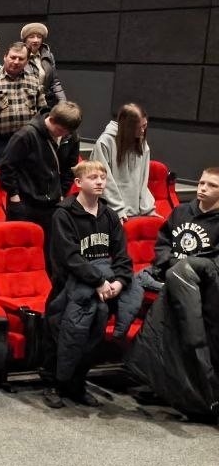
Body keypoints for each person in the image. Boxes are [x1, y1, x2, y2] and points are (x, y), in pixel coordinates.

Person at [43, 160, 138, 409]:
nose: (99, 182)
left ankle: (77, 385)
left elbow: (122, 255)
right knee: (61, 334)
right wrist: (98, 281)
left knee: (92, 338)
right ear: (78, 183)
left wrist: (120, 282)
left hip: (103, 290)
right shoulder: (63, 214)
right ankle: (53, 384)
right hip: (68, 287)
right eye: (93, 177)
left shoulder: (109, 215)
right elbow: (69, 257)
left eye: (102, 178)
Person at [127, 167, 219, 416]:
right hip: (168, 276)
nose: (203, 189)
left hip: (199, 287)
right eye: (201, 183)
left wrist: (187, 269)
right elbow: (163, 243)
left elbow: (214, 265)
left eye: (212, 185)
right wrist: (170, 263)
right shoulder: (181, 211)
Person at [0, 101, 82, 242]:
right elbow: (7, 167)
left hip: (53, 203)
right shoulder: (26, 135)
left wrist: (62, 192)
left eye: (68, 132)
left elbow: (70, 168)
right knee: (21, 244)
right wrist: (14, 195)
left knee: (49, 246)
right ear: (52, 119)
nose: (64, 134)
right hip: (25, 201)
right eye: (61, 130)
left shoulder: (71, 136)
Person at [89, 103, 156, 221]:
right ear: (127, 127)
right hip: (110, 213)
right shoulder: (105, 142)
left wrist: (148, 209)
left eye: (144, 126)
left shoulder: (142, 144)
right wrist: (118, 210)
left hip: (135, 213)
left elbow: (143, 181)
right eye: (138, 128)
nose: (142, 131)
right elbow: (104, 181)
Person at [0, 42, 46, 163]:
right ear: (5, 57)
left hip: (27, 141)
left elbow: (43, 111)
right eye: (13, 57)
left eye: (21, 59)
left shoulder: (34, 80)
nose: (16, 61)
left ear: (27, 61)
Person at [21, 21, 66, 110]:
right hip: (26, 103)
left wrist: (63, 102)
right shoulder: (19, 56)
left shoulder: (48, 56)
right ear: (25, 39)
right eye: (31, 37)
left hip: (46, 103)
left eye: (39, 37)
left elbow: (55, 82)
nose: (36, 40)